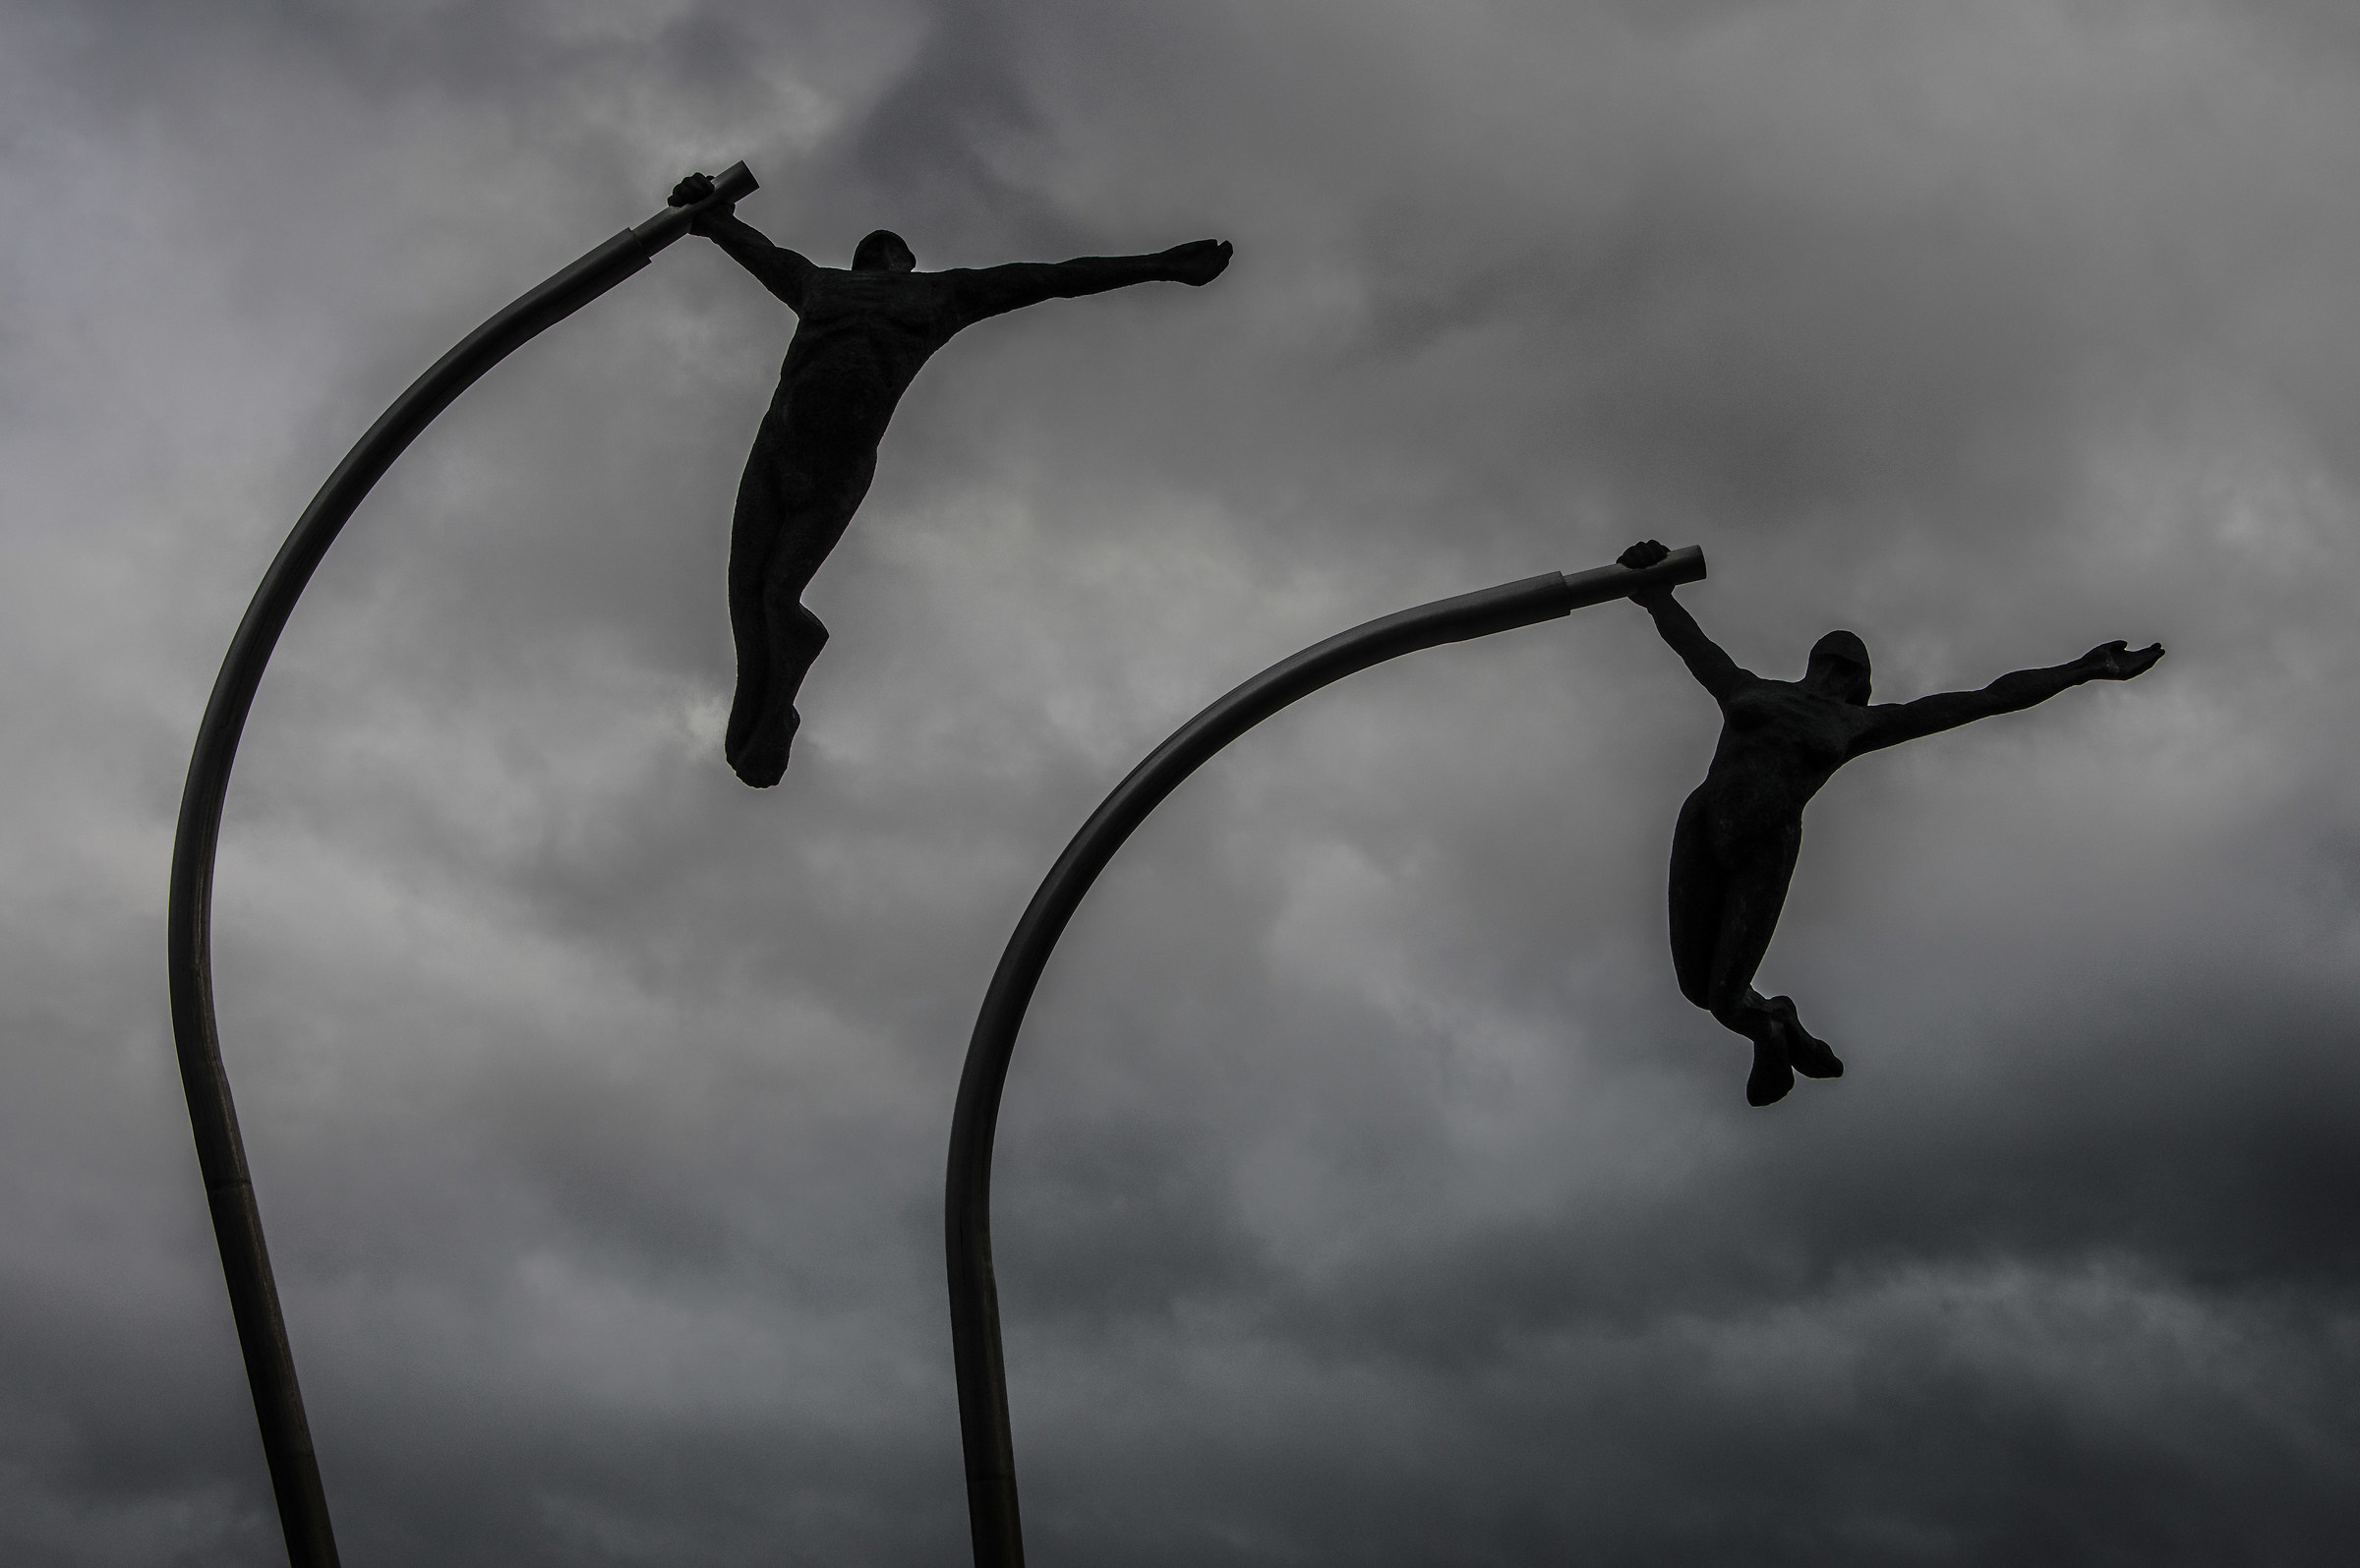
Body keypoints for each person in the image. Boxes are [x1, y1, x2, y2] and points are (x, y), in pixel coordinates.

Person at [668, 172, 1233, 786]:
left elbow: (1052, 277)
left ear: (907, 264)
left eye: (888, 252)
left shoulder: (942, 296)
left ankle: (769, 711)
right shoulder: (818, 284)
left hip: (838, 458)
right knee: (746, 591)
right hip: (779, 442)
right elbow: (759, 251)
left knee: (775, 592)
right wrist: (710, 214)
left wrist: (1160, 265)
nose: (881, 256)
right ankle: (762, 716)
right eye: (874, 251)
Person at [1617, 539, 2164, 1106]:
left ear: (1860, 679)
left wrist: (2083, 669)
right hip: (1704, 819)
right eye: (1835, 655)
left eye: (1850, 663)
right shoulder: (1752, 690)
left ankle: (1772, 1025)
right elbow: (1693, 644)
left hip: (1767, 843)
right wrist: (1653, 591)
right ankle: (1780, 1020)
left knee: (1725, 998)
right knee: (1694, 990)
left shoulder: (1856, 723)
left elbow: (1987, 698)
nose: (1840, 662)